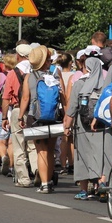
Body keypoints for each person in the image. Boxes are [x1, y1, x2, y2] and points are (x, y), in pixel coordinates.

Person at [20, 45, 64, 193]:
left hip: (35, 117)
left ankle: (44, 183)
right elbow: (63, 96)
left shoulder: (29, 77)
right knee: (50, 150)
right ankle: (49, 180)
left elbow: (25, 98)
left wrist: (20, 116)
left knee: (41, 151)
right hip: (55, 116)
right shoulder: (56, 73)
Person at [65, 55, 109, 199]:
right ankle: (102, 183)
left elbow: (72, 107)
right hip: (100, 125)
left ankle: (83, 190)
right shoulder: (105, 85)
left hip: (81, 126)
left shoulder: (79, 84)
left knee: (82, 155)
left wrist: (67, 126)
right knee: (100, 153)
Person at [1, 42, 36, 187]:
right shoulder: (35, 71)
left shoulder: (12, 73)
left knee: (19, 145)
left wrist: (4, 117)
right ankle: (37, 170)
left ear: (18, 56)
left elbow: (6, 97)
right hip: (34, 110)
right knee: (33, 144)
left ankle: (24, 178)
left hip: (17, 109)